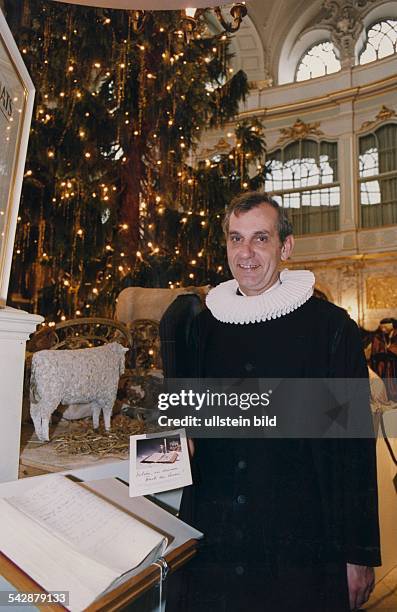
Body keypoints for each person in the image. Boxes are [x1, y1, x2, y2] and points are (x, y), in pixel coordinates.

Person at [166, 192, 380, 612]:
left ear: (286, 247)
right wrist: (153, 454)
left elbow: (353, 452)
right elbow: (187, 428)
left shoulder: (331, 329)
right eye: (235, 238)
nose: (245, 253)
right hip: (217, 546)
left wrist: (359, 554)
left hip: (301, 551)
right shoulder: (201, 328)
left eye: (260, 238)